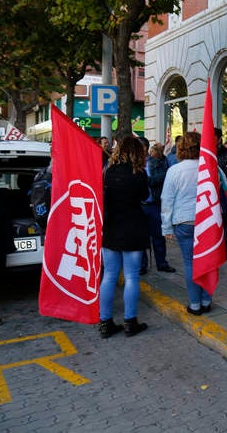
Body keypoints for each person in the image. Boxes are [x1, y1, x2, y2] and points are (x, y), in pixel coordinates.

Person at [100, 136, 150, 338]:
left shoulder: (108, 172)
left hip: (110, 228)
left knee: (109, 276)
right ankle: (130, 322)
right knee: (131, 277)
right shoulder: (138, 174)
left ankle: (105, 323)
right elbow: (145, 197)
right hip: (133, 228)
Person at [161, 132, 213, 315]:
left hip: (183, 221)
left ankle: (195, 304)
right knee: (208, 261)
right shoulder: (210, 167)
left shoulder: (174, 170)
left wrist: (166, 227)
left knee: (190, 263)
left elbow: (167, 200)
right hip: (208, 220)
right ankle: (207, 300)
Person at [142, 142, 175, 274]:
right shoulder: (134, 164)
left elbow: (162, 177)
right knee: (142, 237)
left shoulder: (159, 161)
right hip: (141, 204)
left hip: (155, 204)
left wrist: (147, 180)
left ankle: (161, 263)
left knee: (158, 236)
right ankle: (142, 265)